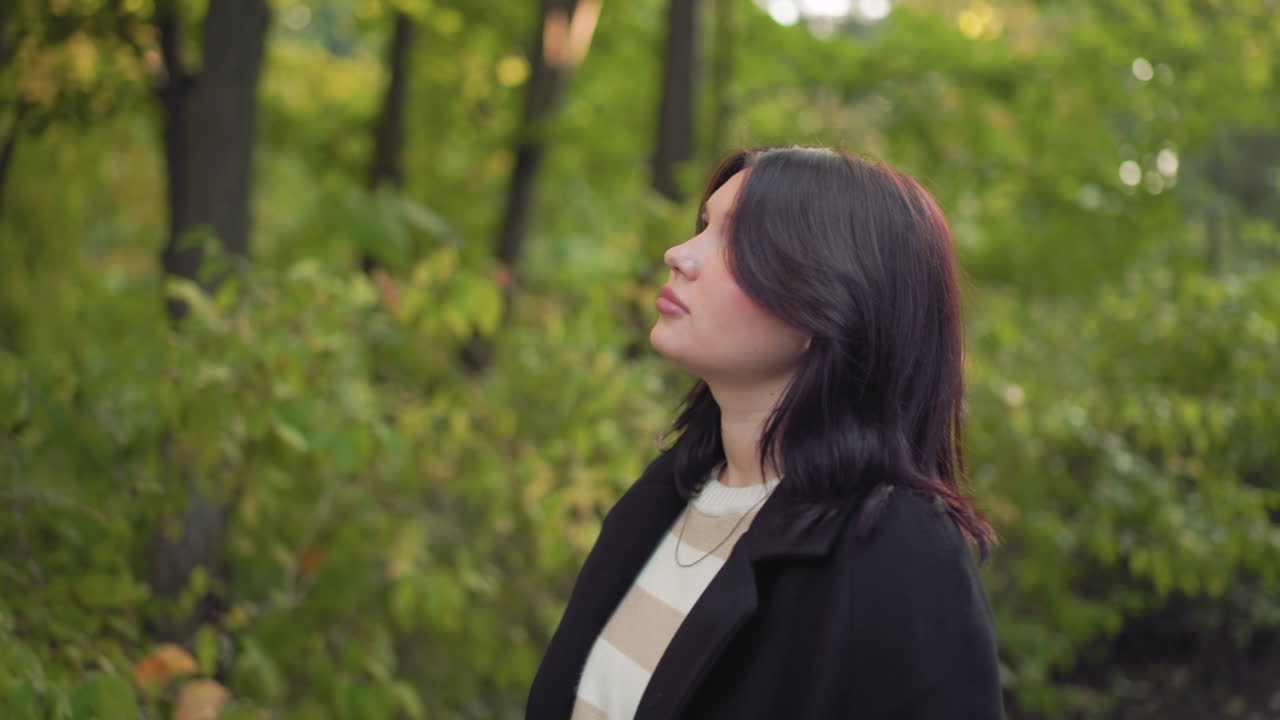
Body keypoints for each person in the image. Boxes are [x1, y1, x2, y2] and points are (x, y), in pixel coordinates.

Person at [526, 146, 1005, 719]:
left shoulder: (896, 547)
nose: (678, 253)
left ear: (827, 301)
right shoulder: (664, 497)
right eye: (703, 225)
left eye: (735, 239)